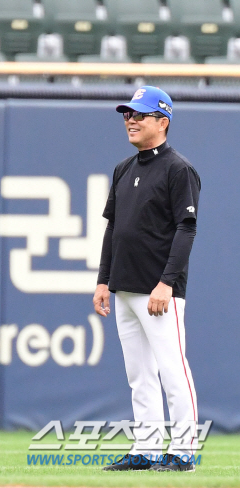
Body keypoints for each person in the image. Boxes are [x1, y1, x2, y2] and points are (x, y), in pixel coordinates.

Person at [94, 86, 200, 472]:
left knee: (173, 369)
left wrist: (166, 282)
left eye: (139, 114)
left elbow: (186, 229)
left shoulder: (178, 168)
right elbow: (113, 229)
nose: (131, 120)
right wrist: (103, 280)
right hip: (123, 286)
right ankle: (147, 448)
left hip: (159, 290)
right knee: (139, 375)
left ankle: (184, 450)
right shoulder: (124, 168)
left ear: (163, 121)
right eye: (127, 114)